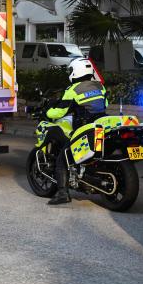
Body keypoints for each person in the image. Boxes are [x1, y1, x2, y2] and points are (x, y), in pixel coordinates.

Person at [46, 58, 108, 205]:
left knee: (63, 158)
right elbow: (104, 104)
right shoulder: (100, 87)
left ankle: (62, 193)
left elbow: (60, 111)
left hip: (83, 128)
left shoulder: (72, 90)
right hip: (100, 125)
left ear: (76, 71)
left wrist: (48, 112)